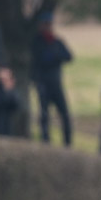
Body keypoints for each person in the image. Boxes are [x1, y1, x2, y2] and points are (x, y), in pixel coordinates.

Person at [30, 11, 73, 146]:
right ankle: (45, 142)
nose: (48, 27)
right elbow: (39, 61)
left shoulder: (56, 41)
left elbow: (68, 56)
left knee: (65, 114)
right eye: (45, 24)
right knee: (44, 115)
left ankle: (67, 143)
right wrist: (54, 56)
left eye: (49, 24)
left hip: (56, 83)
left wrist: (54, 56)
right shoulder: (36, 42)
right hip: (43, 84)